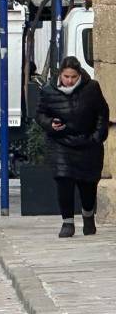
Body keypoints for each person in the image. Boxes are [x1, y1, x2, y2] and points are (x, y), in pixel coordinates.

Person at [36, 56, 109, 238]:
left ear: (79, 75)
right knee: (64, 180)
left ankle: (88, 216)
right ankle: (67, 222)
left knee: (88, 184)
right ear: (60, 74)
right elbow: (40, 114)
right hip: (61, 142)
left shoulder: (91, 88)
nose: (69, 81)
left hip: (87, 142)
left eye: (73, 77)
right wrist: (50, 124)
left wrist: (96, 137)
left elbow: (102, 112)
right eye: (66, 76)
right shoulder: (48, 91)